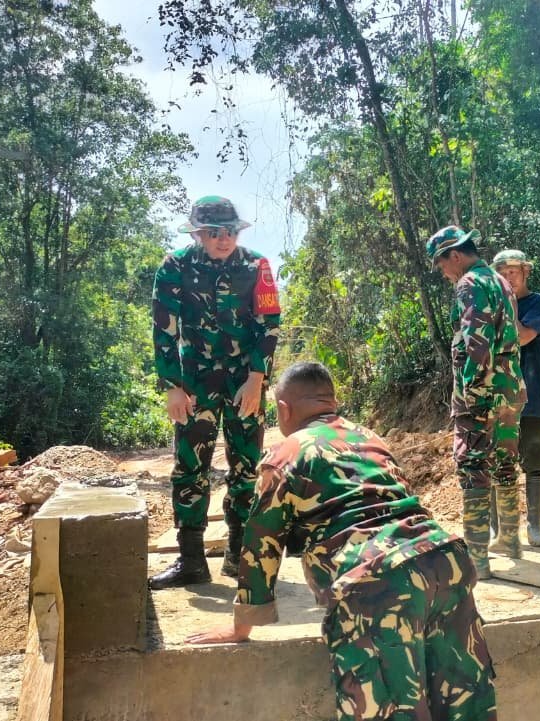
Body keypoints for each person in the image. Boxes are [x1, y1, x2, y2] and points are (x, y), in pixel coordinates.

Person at [185, 362, 497, 721]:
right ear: (331, 401)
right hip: (445, 561)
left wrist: (242, 624)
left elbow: (261, 543)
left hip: (377, 581)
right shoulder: (370, 438)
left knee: (391, 711)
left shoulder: (286, 453)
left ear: (284, 409)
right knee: (465, 704)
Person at [149, 196, 281, 589]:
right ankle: (191, 561)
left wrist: (257, 379)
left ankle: (239, 557)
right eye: (214, 232)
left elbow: (269, 324)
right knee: (190, 467)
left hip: (244, 382)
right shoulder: (175, 266)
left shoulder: (256, 266)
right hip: (195, 383)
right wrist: (173, 386)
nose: (224, 239)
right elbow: (164, 330)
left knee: (246, 468)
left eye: (230, 231)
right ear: (198, 234)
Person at [428, 226, 527, 577]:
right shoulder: (500, 281)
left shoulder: (469, 283)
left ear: (455, 255)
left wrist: (470, 391)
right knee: (505, 461)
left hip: (481, 389)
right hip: (509, 387)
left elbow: (476, 342)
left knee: (472, 467)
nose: (444, 272)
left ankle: (477, 558)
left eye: (442, 264)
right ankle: (510, 540)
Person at [491, 249, 540, 547]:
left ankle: (535, 526)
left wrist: (508, 305)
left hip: (533, 393)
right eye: (502, 274)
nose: (508, 278)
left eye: (513, 273)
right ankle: (501, 530)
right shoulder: (486, 309)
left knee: (536, 455)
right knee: (497, 460)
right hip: (497, 395)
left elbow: (522, 336)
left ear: (525, 272)